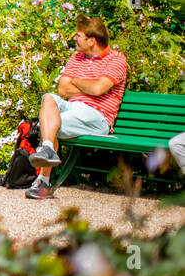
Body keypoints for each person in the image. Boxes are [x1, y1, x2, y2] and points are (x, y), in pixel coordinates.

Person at [26, 16, 129, 200]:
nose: (74, 38)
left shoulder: (116, 60)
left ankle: (43, 182)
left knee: (49, 125)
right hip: (73, 108)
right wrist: (89, 85)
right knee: (48, 98)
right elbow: (62, 89)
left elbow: (99, 89)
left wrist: (76, 81)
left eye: (78, 35)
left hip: (97, 117)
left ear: (92, 40)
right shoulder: (77, 57)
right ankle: (48, 149)